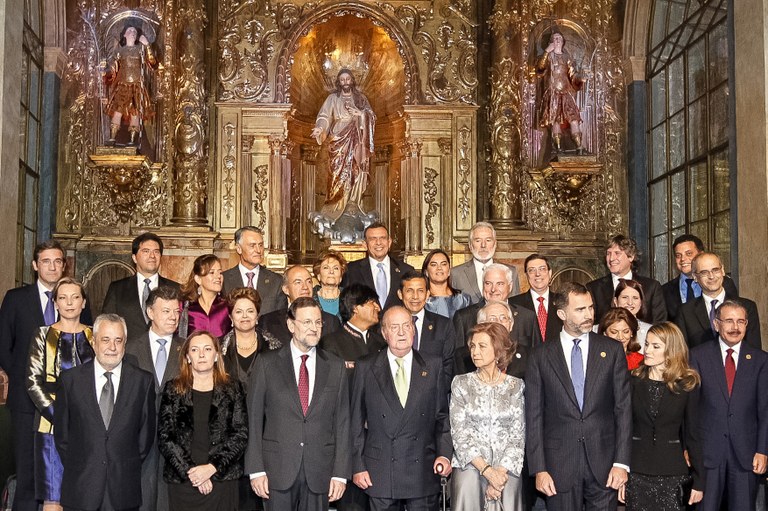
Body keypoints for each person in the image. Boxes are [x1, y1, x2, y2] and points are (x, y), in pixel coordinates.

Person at [0, 240, 91, 511]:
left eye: (57, 261)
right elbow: (3, 345)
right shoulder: (16, 298)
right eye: (46, 261)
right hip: (27, 404)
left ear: (64, 265)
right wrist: (27, 380)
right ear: (34, 265)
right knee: (28, 476)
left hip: (76, 409)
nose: (52, 266)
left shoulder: (78, 300)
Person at [525, 282, 631, 510]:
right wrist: (539, 468)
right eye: (580, 310)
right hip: (557, 467)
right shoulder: (540, 355)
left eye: (591, 308)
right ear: (562, 313)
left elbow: (623, 409)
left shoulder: (611, 350)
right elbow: (533, 415)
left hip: (605, 465)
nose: (589, 315)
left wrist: (621, 462)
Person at [245, 297, 351, 511]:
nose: (314, 328)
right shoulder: (266, 364)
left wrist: (340, 473)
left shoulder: (336, 366)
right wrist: (256, 470)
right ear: (291, 325)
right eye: (307, 322)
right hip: (277, 471)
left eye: (318, 322)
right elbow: (253, 419)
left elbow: (342, 422)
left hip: (320, 471)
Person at [350, 306, 453, 510]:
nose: (401, 332)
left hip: (422, 469)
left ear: (414, 330)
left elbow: (442, 416)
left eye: (406, 326)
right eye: (394, 327)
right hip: (380, 470)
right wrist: (357, 466)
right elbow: (355, 421)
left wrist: (444, 454)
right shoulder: (366, 367)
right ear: (384, 332)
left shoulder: (433, 366)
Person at [54, 313, 156, 511]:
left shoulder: (143, 382)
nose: (112, 347)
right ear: (94, 342)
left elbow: (144, 439)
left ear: (125, 344)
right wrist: (87, 464)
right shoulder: (70, 381)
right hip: (81, 490)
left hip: (123, 491)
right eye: (106, 340)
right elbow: (62, 437)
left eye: (118, 340)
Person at [689, 300, 768, 510]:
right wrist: (689, 448)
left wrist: (763, 450)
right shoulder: (697, 356)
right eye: (729, 321)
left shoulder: (761, 361)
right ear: (716, 324)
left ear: (747, 324)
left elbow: (765, 411)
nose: (735, 327)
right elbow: (691, 409)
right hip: (707, 454)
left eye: (740, 321)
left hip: (746, 455)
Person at [158, 331, 249, 510]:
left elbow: (240, 434)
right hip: (184, 481)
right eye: (195, 349)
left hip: (221, 480)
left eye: (207, 349)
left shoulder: (233, 388)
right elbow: (165, 436)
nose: (201, 354)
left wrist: (212, 468)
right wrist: (192, 473)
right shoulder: (173, 389)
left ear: (216, 355)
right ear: (187, 357)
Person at [26, 277, 94, 511]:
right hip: (50, 427)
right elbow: (33, 382)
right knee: (53, 497)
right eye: (63, 297)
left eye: (75, 297)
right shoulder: (42, 335)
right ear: (55, 303)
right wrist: (62, 418)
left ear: (84, 302)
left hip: (89, 428)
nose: (69, 303)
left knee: (86, 495)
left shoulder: (95, 336)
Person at [620, 322, 703, 510]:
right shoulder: (632, 380)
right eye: (647, 344)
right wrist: (621, 471)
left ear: (672, 350)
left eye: (655, 346)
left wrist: (699, 480)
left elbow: (693, 434)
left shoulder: (687, 385)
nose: (647, 350)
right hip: (637, 472)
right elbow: (623, 429)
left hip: (673, 473)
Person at [450, 322, 525, 510]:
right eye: (473, 346)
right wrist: (486, 471)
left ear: (498, 350)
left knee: (510, 485)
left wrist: (498, 474)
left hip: (505, 471)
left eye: (482, 346)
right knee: (467, 481)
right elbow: (460, 434)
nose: (475, 352)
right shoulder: (461, 383)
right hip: (470, 467)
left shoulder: (515, 386)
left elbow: (517, 435)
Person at [124, 285, 184, 511]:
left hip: (177, 441)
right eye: (166, 311)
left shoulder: (187, 350)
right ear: (150, 313)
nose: (173, 317)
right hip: (139, 438)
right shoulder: (130, 350)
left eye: (176, 312)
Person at [311, 68, 376, 216]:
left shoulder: (361, 99)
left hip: (357, 139)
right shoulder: (333, 98)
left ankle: (353, 202)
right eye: (342, 79)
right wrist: (320, 129)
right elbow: (324, 116)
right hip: (338, 137)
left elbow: (371, 116)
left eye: (348, 79)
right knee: (336, 172)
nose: (345, 82)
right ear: (339, 82)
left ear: (352, 80)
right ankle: (335, 204)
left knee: (357, 169)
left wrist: (361, 114)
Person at [102, 232, 180, 339]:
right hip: (128, 352)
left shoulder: (176, 289)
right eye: (146, 251)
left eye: (156, 252)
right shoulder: (117, 289)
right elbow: (107, 323)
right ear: (134, 258)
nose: (152, 256)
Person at [676, 252, 761, 349]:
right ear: (695, 277)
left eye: (715, 270)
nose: (711, 276)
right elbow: (682, 353)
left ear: (723, 271)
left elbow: (754, 351)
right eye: (704, 272)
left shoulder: (747, 307)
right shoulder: (685, 311)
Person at [453, 263, 541, 351]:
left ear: (510, 287)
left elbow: (538, 354)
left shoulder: (527, 317)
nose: (493, 289)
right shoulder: (464, 317)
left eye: (500, 284)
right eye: (488, 283)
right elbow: (458, 358)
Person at [586, 234, 667, 324]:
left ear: (631, 256)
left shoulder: (652, 287)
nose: (611, 258)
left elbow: (660, 325)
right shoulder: (594, 288)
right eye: (608, 254)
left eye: (617, 253)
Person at [397, 270, 456, 388]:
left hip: (433, 397)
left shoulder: (443, 325)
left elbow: (449, 366)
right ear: (400, 294)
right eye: (409, 291)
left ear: (428, 294)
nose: (415, 297)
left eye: (420, 291)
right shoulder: (389, 324)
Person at [661, 234, 738, 321]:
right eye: (678, 255)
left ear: (701, 254)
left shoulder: (724, 283)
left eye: (689, 253)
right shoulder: (664, 291)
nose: (683, 259)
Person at [104, 23, 158, 144]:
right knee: (117, 111)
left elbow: (152, 62)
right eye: (130, 30)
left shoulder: (141, 49)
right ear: (124, 34)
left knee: (135, 112)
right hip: (122, 85)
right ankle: (112, 138)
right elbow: (112, 66)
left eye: (135, 30)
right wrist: (105, 69)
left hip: (137, 85)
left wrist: (147, 45)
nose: (133, 32)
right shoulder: (120, 50)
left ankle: (132, 141)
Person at [259, 265, 341, 344]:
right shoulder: (268, 321)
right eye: (298, 282)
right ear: (286, 289)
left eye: (309, 281)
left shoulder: (331, 322)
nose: (305, 287)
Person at [341, 223, 414, 309]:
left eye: (382, 238)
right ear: (365, 244)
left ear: (389, 242)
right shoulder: (352, 270)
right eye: (373, 239)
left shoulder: (405, 270)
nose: (378, 243)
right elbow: (347, 303)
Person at [454, 300, 530, 380]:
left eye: (503, 318)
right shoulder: (464, 357)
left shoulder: (527, 355)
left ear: (511, 325)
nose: (498, 323)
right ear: (481, 325)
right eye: (492, 319)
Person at [221, 287, 282, 386]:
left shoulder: (274, 348)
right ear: (231, 318)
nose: (245, 316)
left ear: (257, 316)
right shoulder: (218, 349)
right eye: (239, 312)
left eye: (250, 311)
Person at [221, 226, 287, 316]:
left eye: (260, 245)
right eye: (252, 246)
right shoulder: (224, 280)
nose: (258, 250)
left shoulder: (276, 281)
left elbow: (280, 319)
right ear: (239, 249)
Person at [535, 32, 583, 153]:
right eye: (555, 38)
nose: (557, 40)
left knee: (574, 119)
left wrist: (580, 79)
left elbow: (572, 74)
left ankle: (579, 147)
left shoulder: (567, 57)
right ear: (551, 42)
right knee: (555, 119)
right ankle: (558, 148)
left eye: (560, 38)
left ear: (563, 42)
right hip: (552, 92)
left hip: (566, 93)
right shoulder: (549, 56)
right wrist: (546, 52)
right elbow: (540, 68)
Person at [320, 283, 386, 372]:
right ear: (355, 307)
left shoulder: (382, 343)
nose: (378, 308)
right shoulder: (331, 343)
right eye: (372, 303)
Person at [451, 222, 520, 304]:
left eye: (488, 240)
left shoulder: (511, 271)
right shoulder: (456, 273)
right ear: (470, 245)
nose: (483, 245)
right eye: (478, 240)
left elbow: (515, 306)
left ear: (495, 244)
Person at [509, 253, 563, 341]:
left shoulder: (561, 301)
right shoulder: (513, 304)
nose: (537, 274)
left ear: (550, 273)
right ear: (526, 275)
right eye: (531, 270)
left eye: (542, 269)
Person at [179, 254, 232, 339]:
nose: (218, 276)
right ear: (198, 279)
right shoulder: (185, 307)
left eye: (220, 272)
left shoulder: (228, 306)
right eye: (212, 272)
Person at [421, 248, 471, 318]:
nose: (439, 268)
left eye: (443, 264)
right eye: (434, 265)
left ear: (449, 271)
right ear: (426, 272)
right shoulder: (421, 300)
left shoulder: (463, 299)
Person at [612, 278, 652, 346]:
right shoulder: (597, 329)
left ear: (641, 302)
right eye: (625, 297)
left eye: (635, 298)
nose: (630, 303)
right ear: (615, 301)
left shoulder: (650, 331)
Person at [312, 251, 348, 319]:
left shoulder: (350, 298)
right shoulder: (309, 298)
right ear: (318, 275)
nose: (331, 272)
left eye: (336, 268)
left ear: (341, 276)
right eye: (326, 268)